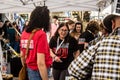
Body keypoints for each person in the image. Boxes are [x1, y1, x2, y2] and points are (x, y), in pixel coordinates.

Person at [68, 14, 120, 80]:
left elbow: (73, 71)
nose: (101, 31)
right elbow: (84, 45)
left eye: (79, 27)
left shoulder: (98, 42)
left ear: (113, 24)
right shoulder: (89, 35)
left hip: (82, 58)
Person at [20, 6, 52, 80]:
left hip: (30, 70)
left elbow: (22, 55)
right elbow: (40, 63)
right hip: (39, 72)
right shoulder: (41, 34)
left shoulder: (24, 33)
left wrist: (26, 67)